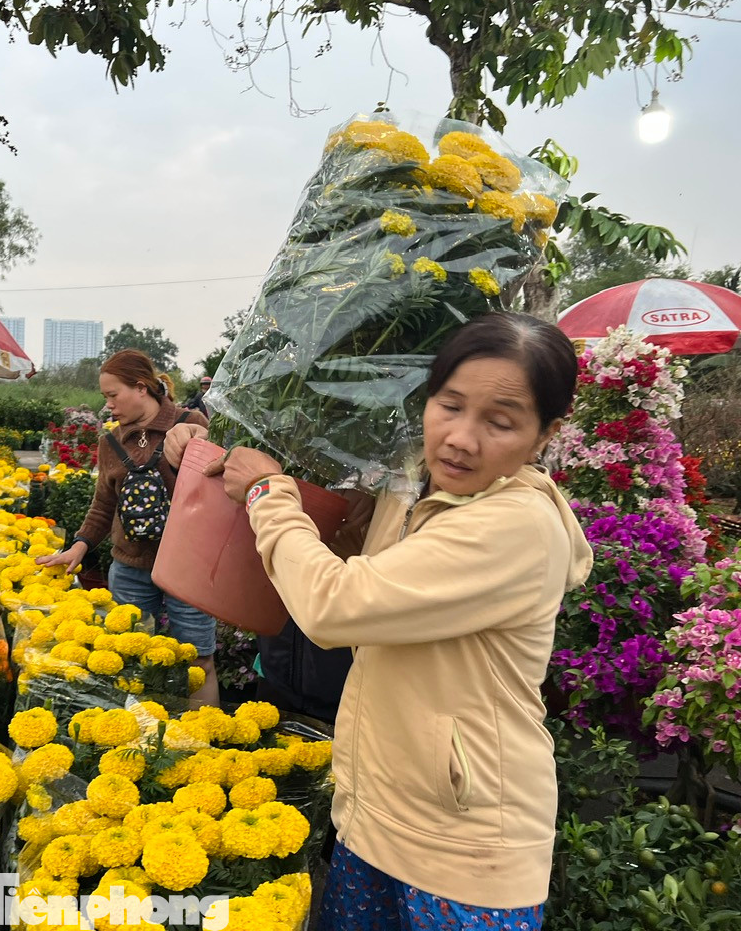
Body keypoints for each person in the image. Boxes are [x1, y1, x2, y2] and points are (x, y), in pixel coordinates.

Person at [165, 312, 592, 928]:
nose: (461, 438)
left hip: (463, 854)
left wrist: (267, 493)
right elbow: (352, 565)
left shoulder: (517, 526)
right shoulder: (413, 488)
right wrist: (202, 441)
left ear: (546, 434)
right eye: (449, 406)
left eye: (499, 423)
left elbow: (334, 605)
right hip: (376, 819)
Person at [35, 349, 219, 705]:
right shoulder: (110, 442)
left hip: (189, 567)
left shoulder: (190, 423)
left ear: (140, 388)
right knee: (133, 661)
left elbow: (215, 486)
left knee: (200, 659)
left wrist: (197, 440)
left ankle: (208, 740)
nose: (108, 406)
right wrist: (80, 544)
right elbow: (104, 503)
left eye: (112, 395)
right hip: (130, 567)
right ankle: (145, 742)